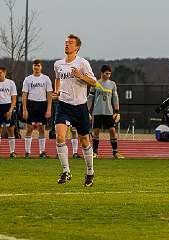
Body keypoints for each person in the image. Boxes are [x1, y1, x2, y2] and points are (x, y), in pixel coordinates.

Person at [53, 34, 103, 187]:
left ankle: (90, 172)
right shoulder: (58, 64)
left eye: (70, 43)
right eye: (66, 42)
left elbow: (94, 82)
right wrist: (57, 91)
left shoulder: (83, 63)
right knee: (60, 137)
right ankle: (66, 171)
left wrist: (80, 75)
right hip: (63, 105)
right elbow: (57, 78)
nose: (67, 44)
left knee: (85, 141)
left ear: (77, 47)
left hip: (80, 106)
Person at [88, 65, 124, 159]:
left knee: (112, 131)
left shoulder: (112, 84)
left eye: (109, 74)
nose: (108, 75)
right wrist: (87, 111)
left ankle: (115, 152)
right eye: (106, 73)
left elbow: (115, 98)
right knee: (96, 131)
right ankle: (95, 152)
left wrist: (117, 111)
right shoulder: (95, 83)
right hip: (97, 112)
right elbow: (90, 98)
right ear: (102, 73)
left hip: (109, 112)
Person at [22, 59, 52, 158]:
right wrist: (24, 109)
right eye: (35, 66)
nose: (36, 67)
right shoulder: (28, 79)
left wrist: (48, 109)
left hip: (42, 105)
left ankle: (42, 152)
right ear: (33, 67)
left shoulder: (46, 79)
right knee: (29, 129)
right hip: (31, 104)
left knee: (42, 129)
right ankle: (27, 152)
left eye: (38, 66)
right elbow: (24, 95)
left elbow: (49, 94)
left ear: (41, 67)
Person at [0, 67, 17, 158]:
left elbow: (14, 98)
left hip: (8, 106)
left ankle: (12, 152)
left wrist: (10, 110)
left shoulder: (11, 83)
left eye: (0, 73)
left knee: (11, 130)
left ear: (5, 73)